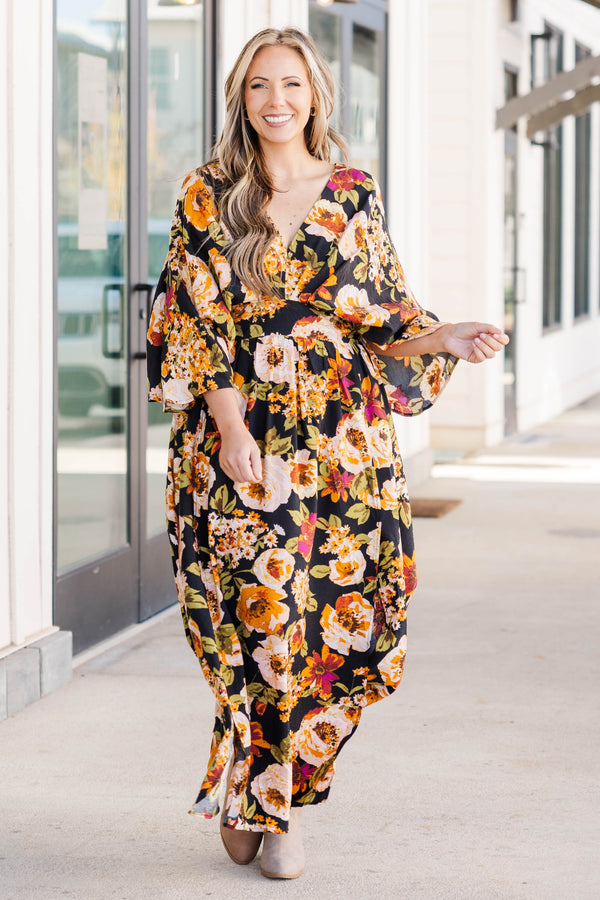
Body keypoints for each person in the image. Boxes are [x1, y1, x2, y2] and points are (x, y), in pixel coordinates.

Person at [147, 26, 508, 881]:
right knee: (265, 619)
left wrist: (443, 335)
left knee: (337, 622)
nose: (278, 101)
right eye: (261, 86)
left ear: (316, 97)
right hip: (243, 435)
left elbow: (382, 311)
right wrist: (232, 432)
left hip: (343, 438)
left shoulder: (354, 192)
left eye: (293, 86)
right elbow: (194, 325)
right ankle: (277, 812)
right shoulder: (208, 193)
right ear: (241, 96)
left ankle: (257, 791)